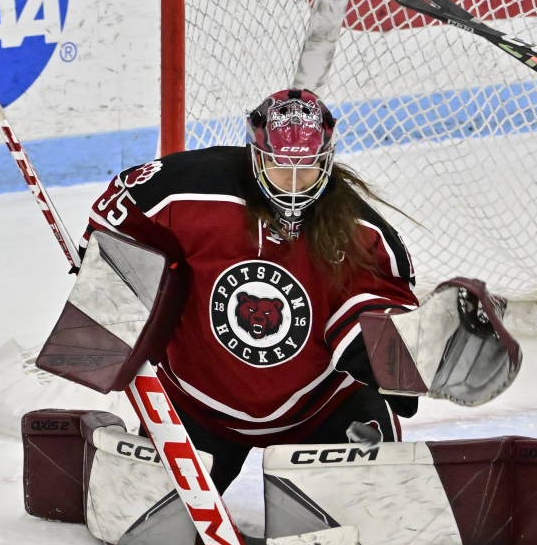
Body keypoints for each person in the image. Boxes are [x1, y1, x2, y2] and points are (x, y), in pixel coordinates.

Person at [81, 88, 421, 492]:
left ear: (327, 160)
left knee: (372, 512)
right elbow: (118, 214)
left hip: (323, 409)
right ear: (256, 155)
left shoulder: (364, 233)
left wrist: (401, 361)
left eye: (307, 168)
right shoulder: (186, 190)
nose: (293, 182)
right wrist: (102, 265)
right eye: (280, 166)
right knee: (150, 516)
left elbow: (379, 307)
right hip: (200, 405)